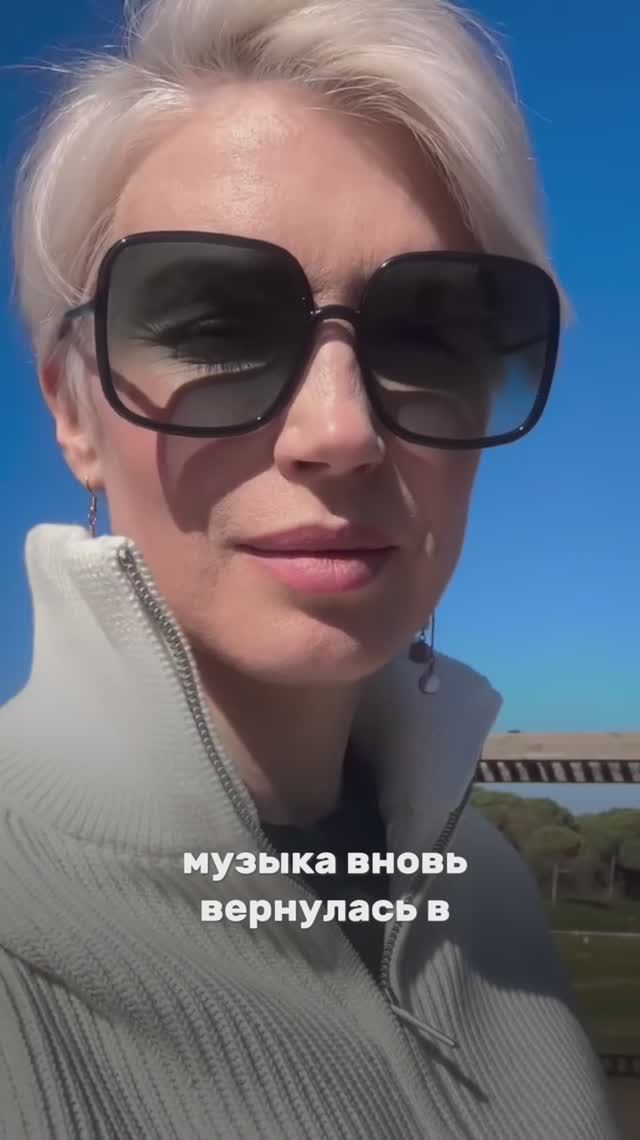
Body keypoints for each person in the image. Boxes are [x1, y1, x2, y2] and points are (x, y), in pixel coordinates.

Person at [0, 1, 620, 1137]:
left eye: (429, 331)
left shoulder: (486, 893)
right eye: (215, 325)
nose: (339, 431)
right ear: (71, 411)